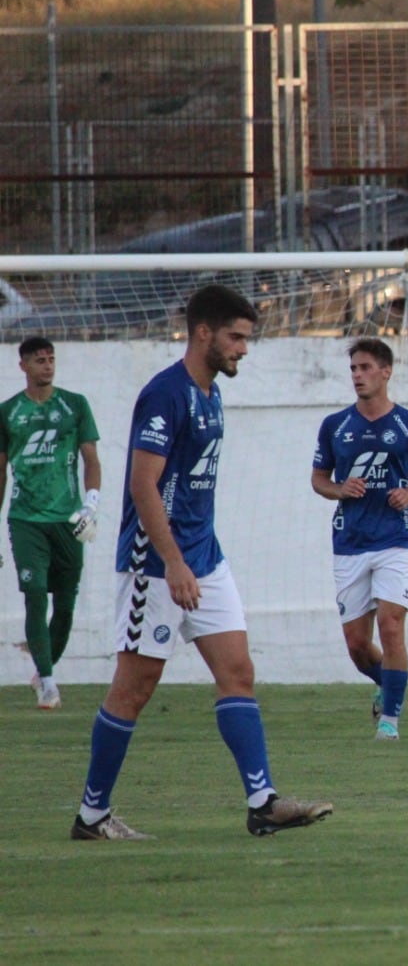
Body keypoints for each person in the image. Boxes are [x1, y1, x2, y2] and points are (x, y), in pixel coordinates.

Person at [71, 284, 332, 840]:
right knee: (134, 688)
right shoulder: (165, 394)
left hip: (204, 559)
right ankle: (92, 815)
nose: (244, 348)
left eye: (247, 339)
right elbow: (143, 487)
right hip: (154, 565)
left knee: (237, 673)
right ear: (203, 333)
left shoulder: (211, 393)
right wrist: (173, 564)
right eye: (236, 338)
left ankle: (263, 803)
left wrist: (194, 560)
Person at [312, 338, 408, 741]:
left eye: (366, 367)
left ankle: (389, 720)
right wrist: (339, 489)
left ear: (386, 372)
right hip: (350, 541)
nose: (357, 375)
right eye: (353, 368)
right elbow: (319, 478)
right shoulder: (335, 426)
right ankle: (386, 683)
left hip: (396, 539)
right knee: (358, 645)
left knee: (392, 626)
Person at [0, 337, 101, 711]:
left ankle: (44, 671)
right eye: (39, 360)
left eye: (51, 359)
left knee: (66, 605)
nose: (47, 365)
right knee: (34, 595)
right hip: (25, 519)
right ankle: (48, 683)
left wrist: (91, 503)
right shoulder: (8, 412)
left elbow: (91, 458)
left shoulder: (74, 405)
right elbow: (0, 475)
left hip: (67, 519)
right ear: (23, 365)